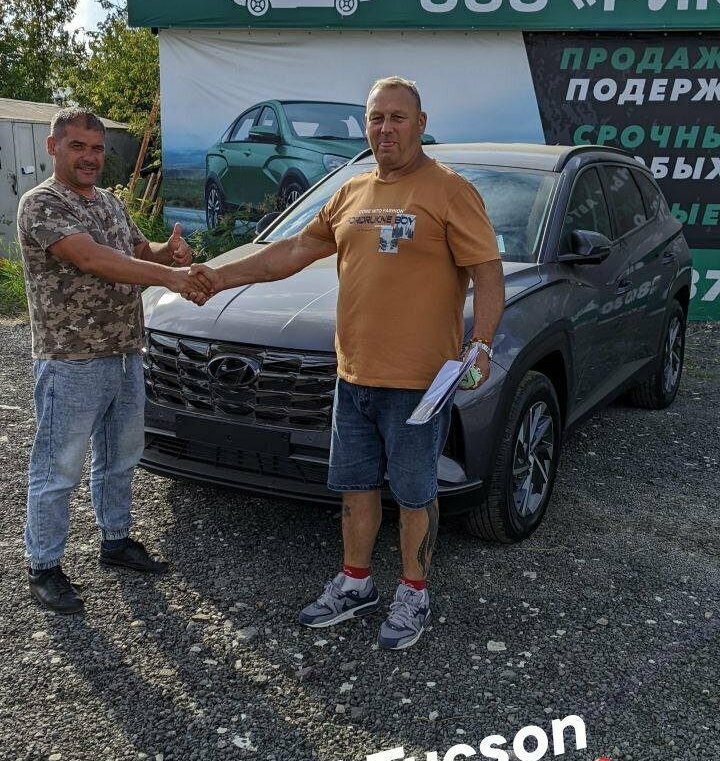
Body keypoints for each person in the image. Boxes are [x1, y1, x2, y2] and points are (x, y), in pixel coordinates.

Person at [189, 78, 505, 650]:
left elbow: (487, 271)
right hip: (352, 376)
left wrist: (480, 342)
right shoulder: (351, 192)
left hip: (418, 384)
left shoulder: (450, 191)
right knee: (355, 488)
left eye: (398, 117)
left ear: (421, 123)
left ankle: (413, 592)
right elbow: (290, 252)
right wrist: (218, 277)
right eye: (376, 117)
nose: (386, 128)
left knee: (415, 494)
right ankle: (356, 583)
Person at [18, 108, 214, 615]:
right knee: (58, 466)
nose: (90, 157)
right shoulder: (41, 203)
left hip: (126, 350)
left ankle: (116, 540)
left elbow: (136, 250)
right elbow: (93, 258)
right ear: (53, 147)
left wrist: (169, 253)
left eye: (97, 148)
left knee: (121, 455)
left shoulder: (108, 202)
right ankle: (44, 566)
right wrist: (171, 278)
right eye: (78, 146)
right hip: (71, 358)